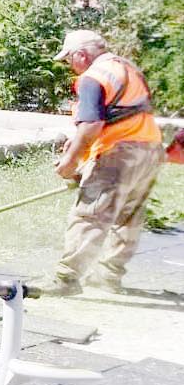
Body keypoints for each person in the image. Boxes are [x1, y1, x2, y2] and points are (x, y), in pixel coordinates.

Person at [43, 29, 162, 295]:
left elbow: (93, 127)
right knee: (127, 217)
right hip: (150, 150)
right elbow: (121, 116)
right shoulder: (127, 68)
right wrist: (79, 151)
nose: (69, 66)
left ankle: (66, 280)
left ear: (81, 55)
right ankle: (107, 278)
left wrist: (70, 163)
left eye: (68, 60)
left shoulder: (92, 77)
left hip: (118, 153)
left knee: (90, 215)